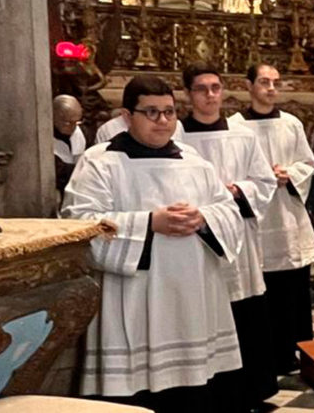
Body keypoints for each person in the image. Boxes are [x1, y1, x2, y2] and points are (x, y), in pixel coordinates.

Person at [61, 75, 245, 412]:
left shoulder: (195, 162)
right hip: (134, 297)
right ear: (128, 117)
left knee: (193, 395)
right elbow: (78, 224)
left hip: (193, 296)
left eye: (169, 112)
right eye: (151, 113)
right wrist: (150, 223)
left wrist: (204, 218)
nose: (163, 121)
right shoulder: (100, 161)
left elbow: (229, 212)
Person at [176, 63, 280, 409]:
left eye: (215, 87)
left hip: (239, 234)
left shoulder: (242, 136)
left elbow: (264, 182)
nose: (210, 95)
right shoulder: (176, 138)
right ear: (188, 94)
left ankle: (249, 390)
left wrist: (236, 190)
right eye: (201, 89)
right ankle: (207, 391)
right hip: (195, 238)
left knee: (244, 308)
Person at [230, 63, 314, 374]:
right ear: (249, 85)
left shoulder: (291, 123)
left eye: (276, 82)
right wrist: (258, 178)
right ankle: (263, 356)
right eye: (264, 82)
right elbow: (228, 172)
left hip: (287, 215)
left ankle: (294, 351)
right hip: (257, 219)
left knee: (291, 287)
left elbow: (308, 162)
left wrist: (290, 174)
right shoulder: (234, 127)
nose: (271, 88)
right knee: (261, 286)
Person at [52, 94, 86, 196]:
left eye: (77, 122)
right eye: (68, 122)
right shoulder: (42, 137)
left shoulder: (83, 132)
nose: (74, 127)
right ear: (54, 116)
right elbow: (59, 172)